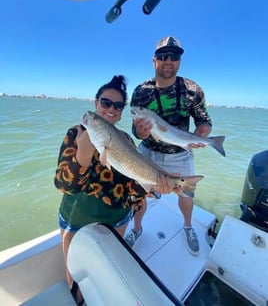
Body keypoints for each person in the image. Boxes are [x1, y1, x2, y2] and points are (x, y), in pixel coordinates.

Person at [54, 75, 173, 305]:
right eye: (106, 103)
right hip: (76, 216)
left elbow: (130, 187)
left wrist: (155, 185)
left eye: (118, 106)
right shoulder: (75, 134)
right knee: (75, 278)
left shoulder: (126, 139)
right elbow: (64, 185)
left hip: (117, 218)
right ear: (96, 102)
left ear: (121, 111)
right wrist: (83, 154)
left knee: (108, 272)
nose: (111, 109)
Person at [124, 37, 212, 256]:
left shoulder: (192, 89)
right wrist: (140, 132)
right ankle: (136, 228)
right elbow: (135, 129)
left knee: (186, 196)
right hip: (147, 153)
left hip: (181, 153)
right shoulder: (141, 91)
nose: (168, 61)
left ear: (179, 60)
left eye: (174, 56)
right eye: (163, 56)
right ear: (154, 61)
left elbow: (203, 120)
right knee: (138, 195)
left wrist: (202, 133)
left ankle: (188, 226)